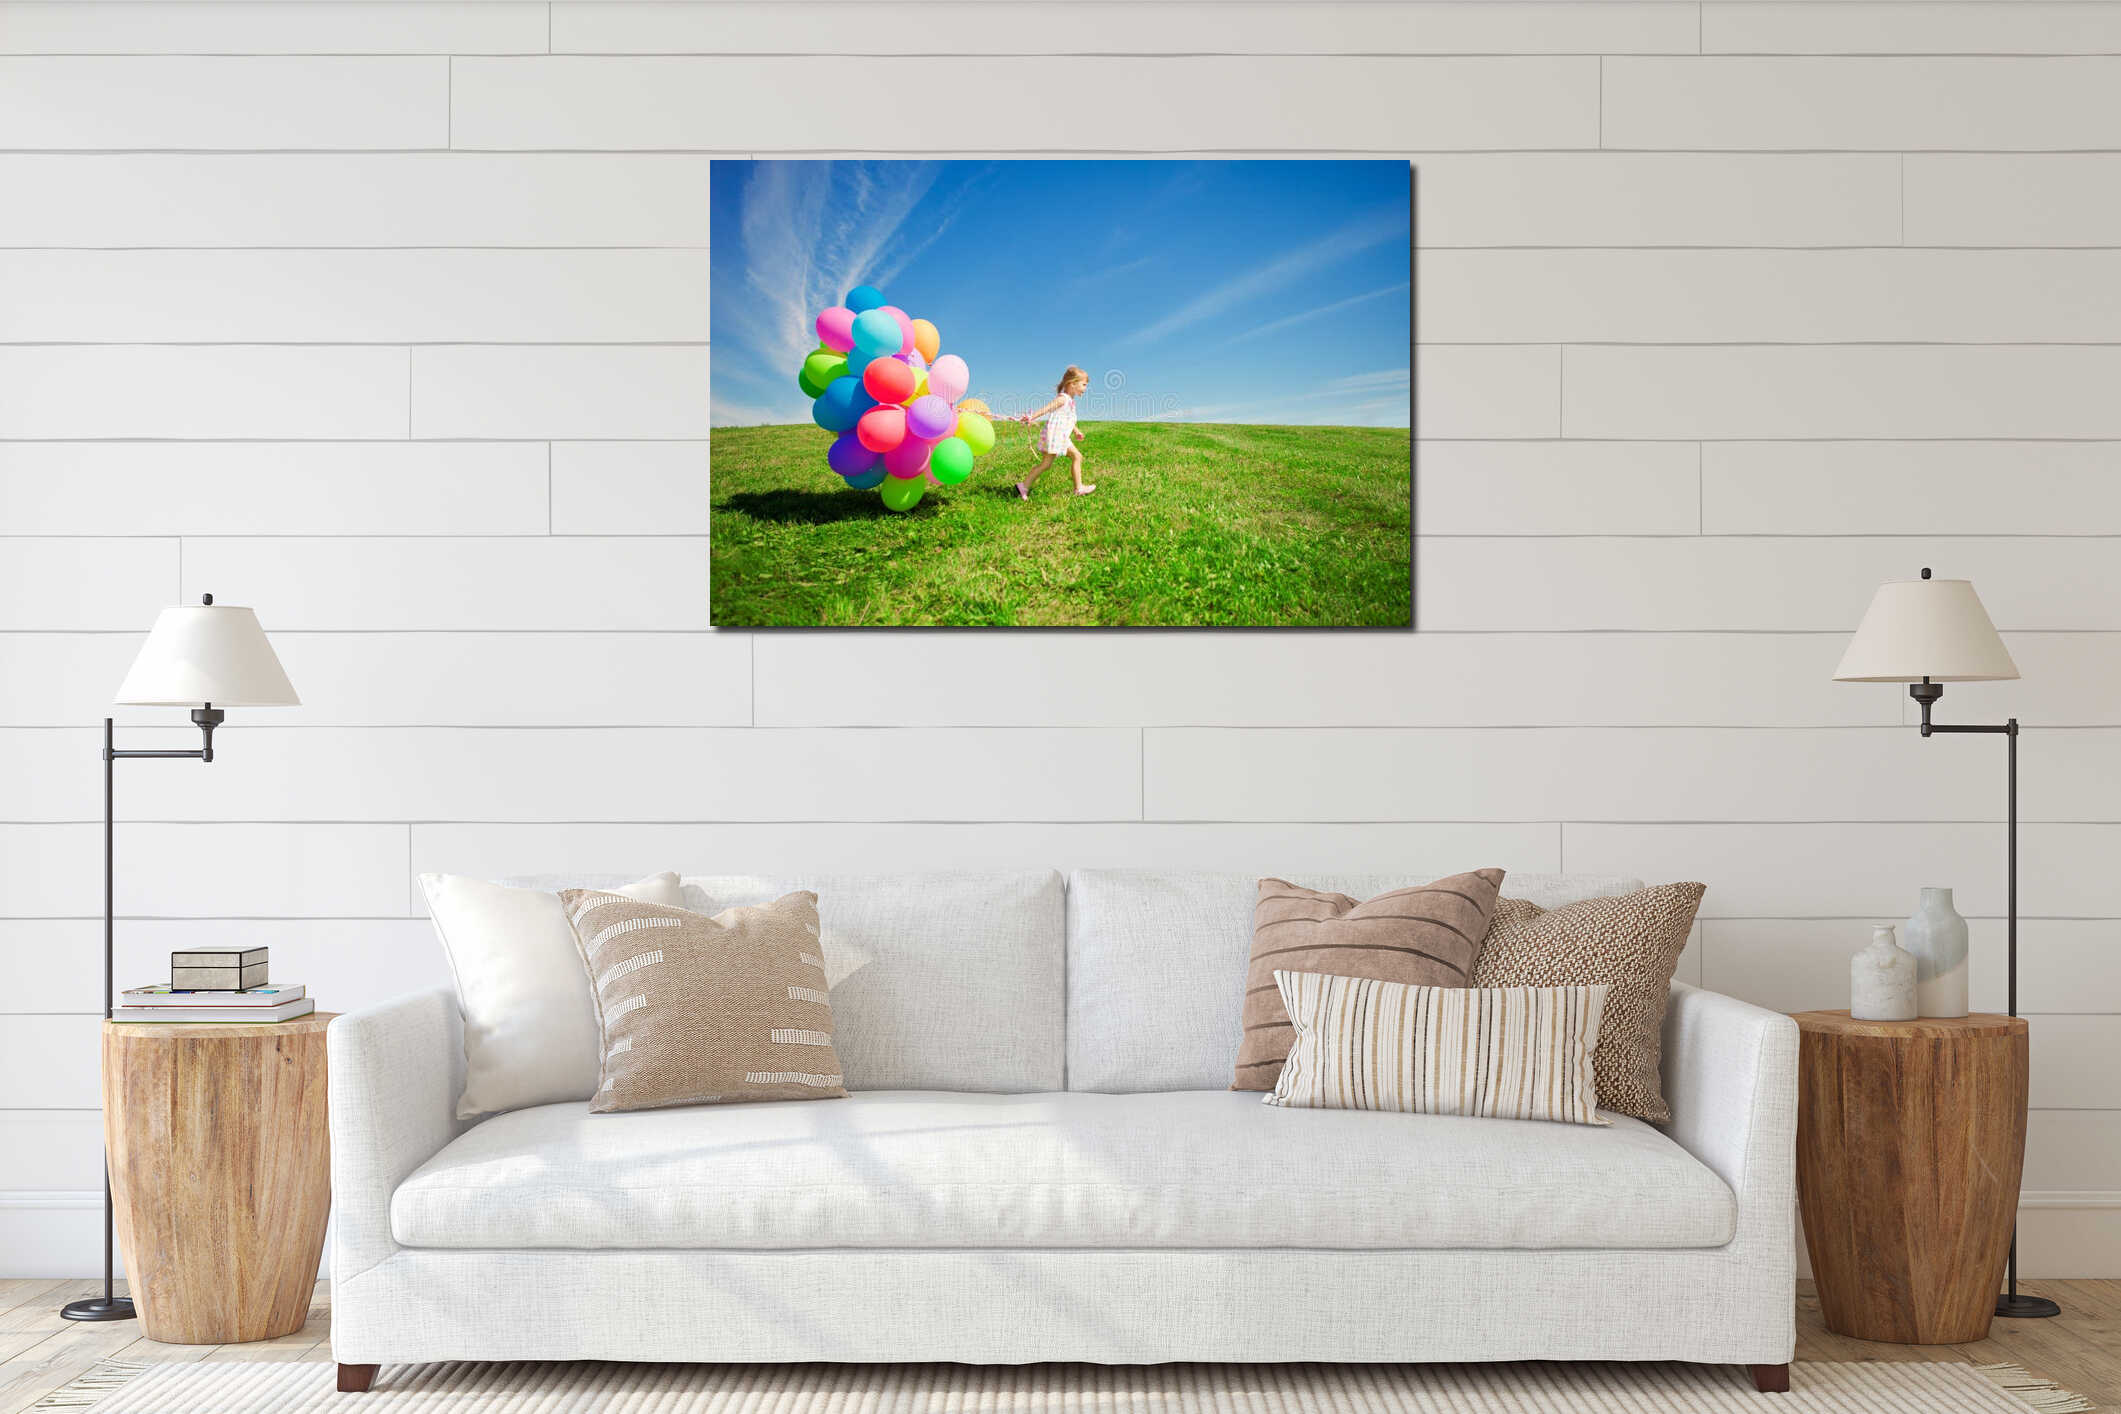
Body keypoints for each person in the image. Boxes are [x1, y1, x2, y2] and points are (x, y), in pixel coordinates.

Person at [1012, 366, 1094, 499]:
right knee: (1068, 459)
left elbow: (1068, 419)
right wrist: (1031, 417)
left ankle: (1023, 486)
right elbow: (1047, 408)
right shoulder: (1063, 399)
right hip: (1056, 437)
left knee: (1052, 463)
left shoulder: (1070, 401)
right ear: (1072, 384)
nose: (1085, 388)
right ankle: (1078, 488)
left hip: (1061, 437)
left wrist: (1076, 431)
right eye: (1084, 384)